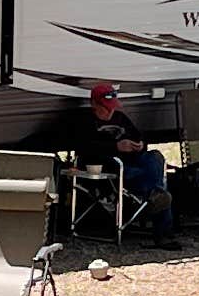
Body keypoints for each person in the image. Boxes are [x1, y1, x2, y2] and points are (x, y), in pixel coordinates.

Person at [74, 81, 173, 238]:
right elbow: (84, 148)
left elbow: (138, 136)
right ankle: (161, 227)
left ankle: (154, 196)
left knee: (155, 157)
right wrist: (116, 147)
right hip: (109, 167)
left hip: (132, 162)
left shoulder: (120, 118)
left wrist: (140, 145)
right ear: (93, 104)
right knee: (155, 186)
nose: (110, 111)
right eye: (106, 107)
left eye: (112, 107)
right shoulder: (84, 121)